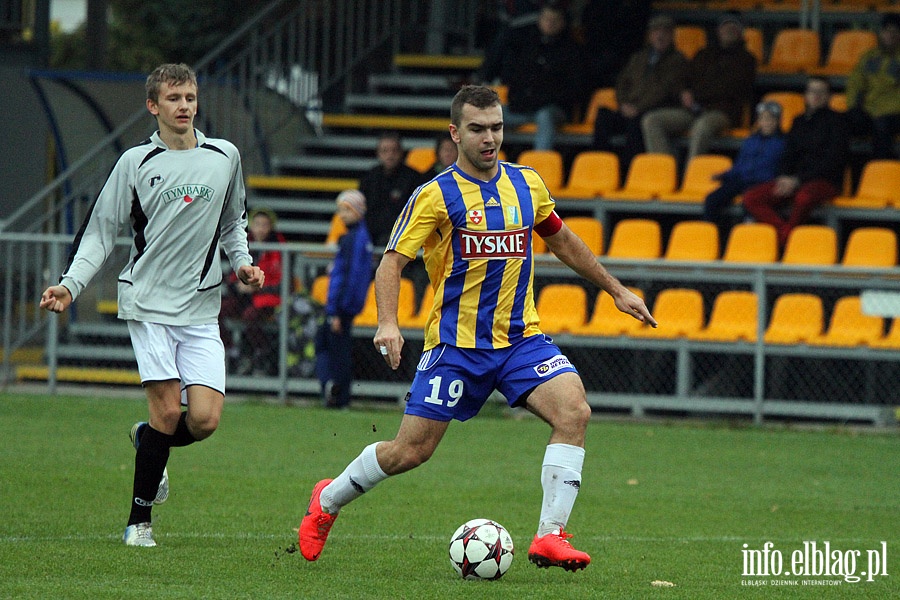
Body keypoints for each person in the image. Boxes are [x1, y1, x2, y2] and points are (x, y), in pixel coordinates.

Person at [297, 85, 656, 571]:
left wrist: (615, 290)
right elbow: (391, 263)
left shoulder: (527, 183)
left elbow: (564, 240)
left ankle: (550, 535)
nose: (490, 138)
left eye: (497, 128)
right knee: (409, 452)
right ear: (455, 133)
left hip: (520, 342)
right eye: (478, 129)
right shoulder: (434, 195)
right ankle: (327, 501)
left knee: (574, 412)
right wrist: (387, 322)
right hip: (457, 347)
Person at [39, 63, 264, 548]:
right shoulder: (135, 162)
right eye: (174, 98)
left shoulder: (224, 155)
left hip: (201, 307)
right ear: (153, 106)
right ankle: (138, 522)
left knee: (203, 420)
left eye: (190, 97)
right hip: (147, 304)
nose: (185, 106)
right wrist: (70, 285)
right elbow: (101, 232)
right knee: (166, 412)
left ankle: (148, 443)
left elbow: (233, 222)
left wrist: (242, 262)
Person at [742, 77, 850, 247]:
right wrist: (783, 177)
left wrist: (798, 179)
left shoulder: (838, 122)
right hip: (793, 180)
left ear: (829, 96)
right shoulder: (798, 121)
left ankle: (785, 240)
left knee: (803, 198)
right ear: (805, 95)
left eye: (821, 92)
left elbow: (832, 161)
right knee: (751, 197)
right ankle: (785, 231)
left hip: (823, 180)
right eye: (812, 91)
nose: (816, 96)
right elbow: (787, 154)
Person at [641, 11, 756, 161]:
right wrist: (683, 92)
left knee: (701, 127)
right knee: (652, 120)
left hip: (722, 112)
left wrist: (697, 93)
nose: (729, 29)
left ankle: (691, 174)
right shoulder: (702, 54)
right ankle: (665, 171)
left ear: (741, 32)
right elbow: (683, 77)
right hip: (693, 110)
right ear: (718, 30)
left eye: (734, 26)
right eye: (725, 25)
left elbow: (730, 89)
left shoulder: (747, 60)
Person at [477, 1, 584, 150]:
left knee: (545, 116)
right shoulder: (526, 47)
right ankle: (479, 164)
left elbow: (573, 89)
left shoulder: (572, 51)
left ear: (563, 23)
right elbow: (514, 79)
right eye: (547, 19)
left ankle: (539, 166)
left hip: (553, 109)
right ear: (539, 20)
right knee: (484, 116)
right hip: (523, 108)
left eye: (555, 20)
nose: (550, 24)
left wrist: (541, 98)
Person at [592, 14, 687, 177]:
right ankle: (600, 169)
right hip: (629, 107)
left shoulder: (678, 60)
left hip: (653, 109)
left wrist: (638, 108)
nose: (660, 35)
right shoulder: (638, 58)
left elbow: (663, 90)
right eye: (656, 31)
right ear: (650, 35)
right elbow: (622, 82)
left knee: (638, 125)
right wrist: (623, 104)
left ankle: (629, 172)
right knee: (603, 117)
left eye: (665, 31)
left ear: (672, 36)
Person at [315, 189, 374, 409]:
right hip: (346, 306)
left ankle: (334, 391)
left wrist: (336, 311)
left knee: (329, 349)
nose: (342, 215)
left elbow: (346, 278)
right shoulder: (361, 238)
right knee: (338, 349)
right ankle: (338, 393)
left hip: (340, 307)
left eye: (346, 210)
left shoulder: (351, 240)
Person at [703, 101, 786, 236]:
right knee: (712, 199)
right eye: (763, 118)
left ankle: (746, 238)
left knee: (748, 203)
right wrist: (725, 175)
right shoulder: (751, 140)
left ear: (778, 121)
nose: (766, 122)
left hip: (763, 182)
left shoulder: (783, 143)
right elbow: (739, 165)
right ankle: (710, 236)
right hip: (742, 179)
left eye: (770, 119)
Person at [219, 207, 285, 375]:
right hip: (244, 297)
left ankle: (260, 354)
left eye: (265, 224)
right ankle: (231, 350)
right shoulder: (244, 245)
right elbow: (231, 276)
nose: (261, 228)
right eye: (257, 224)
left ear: (271, 227)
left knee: (251, 315)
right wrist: (239, 285)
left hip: (268, 299)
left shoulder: (279, 249)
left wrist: (256, 287)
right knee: (219, 308)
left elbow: (281, 281)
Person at [845, 13, 900, 159]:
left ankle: (880, 172)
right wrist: (853, 107)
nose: (890, 35)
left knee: (881, 126)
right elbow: (855, 84)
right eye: (886, 31)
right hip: (868, 111)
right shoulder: (869, 56)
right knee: (838, 124)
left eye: (894, 32)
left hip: (893, 114)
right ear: (880, 33)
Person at [360, 131, 425, 248]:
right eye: (385, 151)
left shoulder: (415, 179)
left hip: (406, 241)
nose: (390, 155)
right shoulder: (369, 178)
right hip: (372, 240)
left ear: (401, 152)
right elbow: (362, 211)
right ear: (378, 153)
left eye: (394, 150)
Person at [579, 0, 653, 89]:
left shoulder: (636, 6)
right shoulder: (597, 6)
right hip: (600, 54)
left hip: (626, 53)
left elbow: (637, 28)